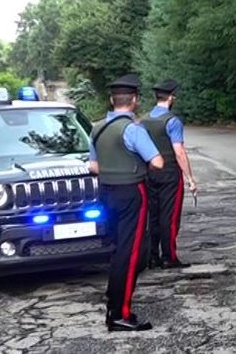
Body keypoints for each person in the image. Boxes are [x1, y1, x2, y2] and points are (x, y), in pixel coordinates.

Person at [89, 74, 164, 332]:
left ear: (112, 100)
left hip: (106, 193)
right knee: (130, 253)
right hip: (132, 192)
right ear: (133, 101)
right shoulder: (132, 129)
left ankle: (113, 302)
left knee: (117, 249)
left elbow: (93, 167)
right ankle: (120, 314)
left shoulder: (96, 128)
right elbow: (157, 162)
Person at [142, 79, 197, 270]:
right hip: (170, 174)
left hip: (149, 173)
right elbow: (179, 152)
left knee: (153, 216)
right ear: (171, 97)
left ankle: (152, 256)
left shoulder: (144, 120)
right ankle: (169, 256)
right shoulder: (172, 121)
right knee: (170, 216)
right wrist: (190, 178)